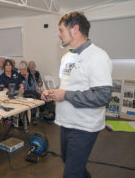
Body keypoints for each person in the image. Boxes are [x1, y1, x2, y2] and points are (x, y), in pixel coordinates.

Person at [41, 12, 112, 178]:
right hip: (66, 123)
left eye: (61, 30)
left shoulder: (98, 56)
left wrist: (65, 95)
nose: (58, 35)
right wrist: (53, 93)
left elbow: (103, 96)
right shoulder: (67, 57)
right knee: (71, 164)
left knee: (71, 173)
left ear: (75, 29)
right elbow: (67, 86)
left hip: (84, 127)